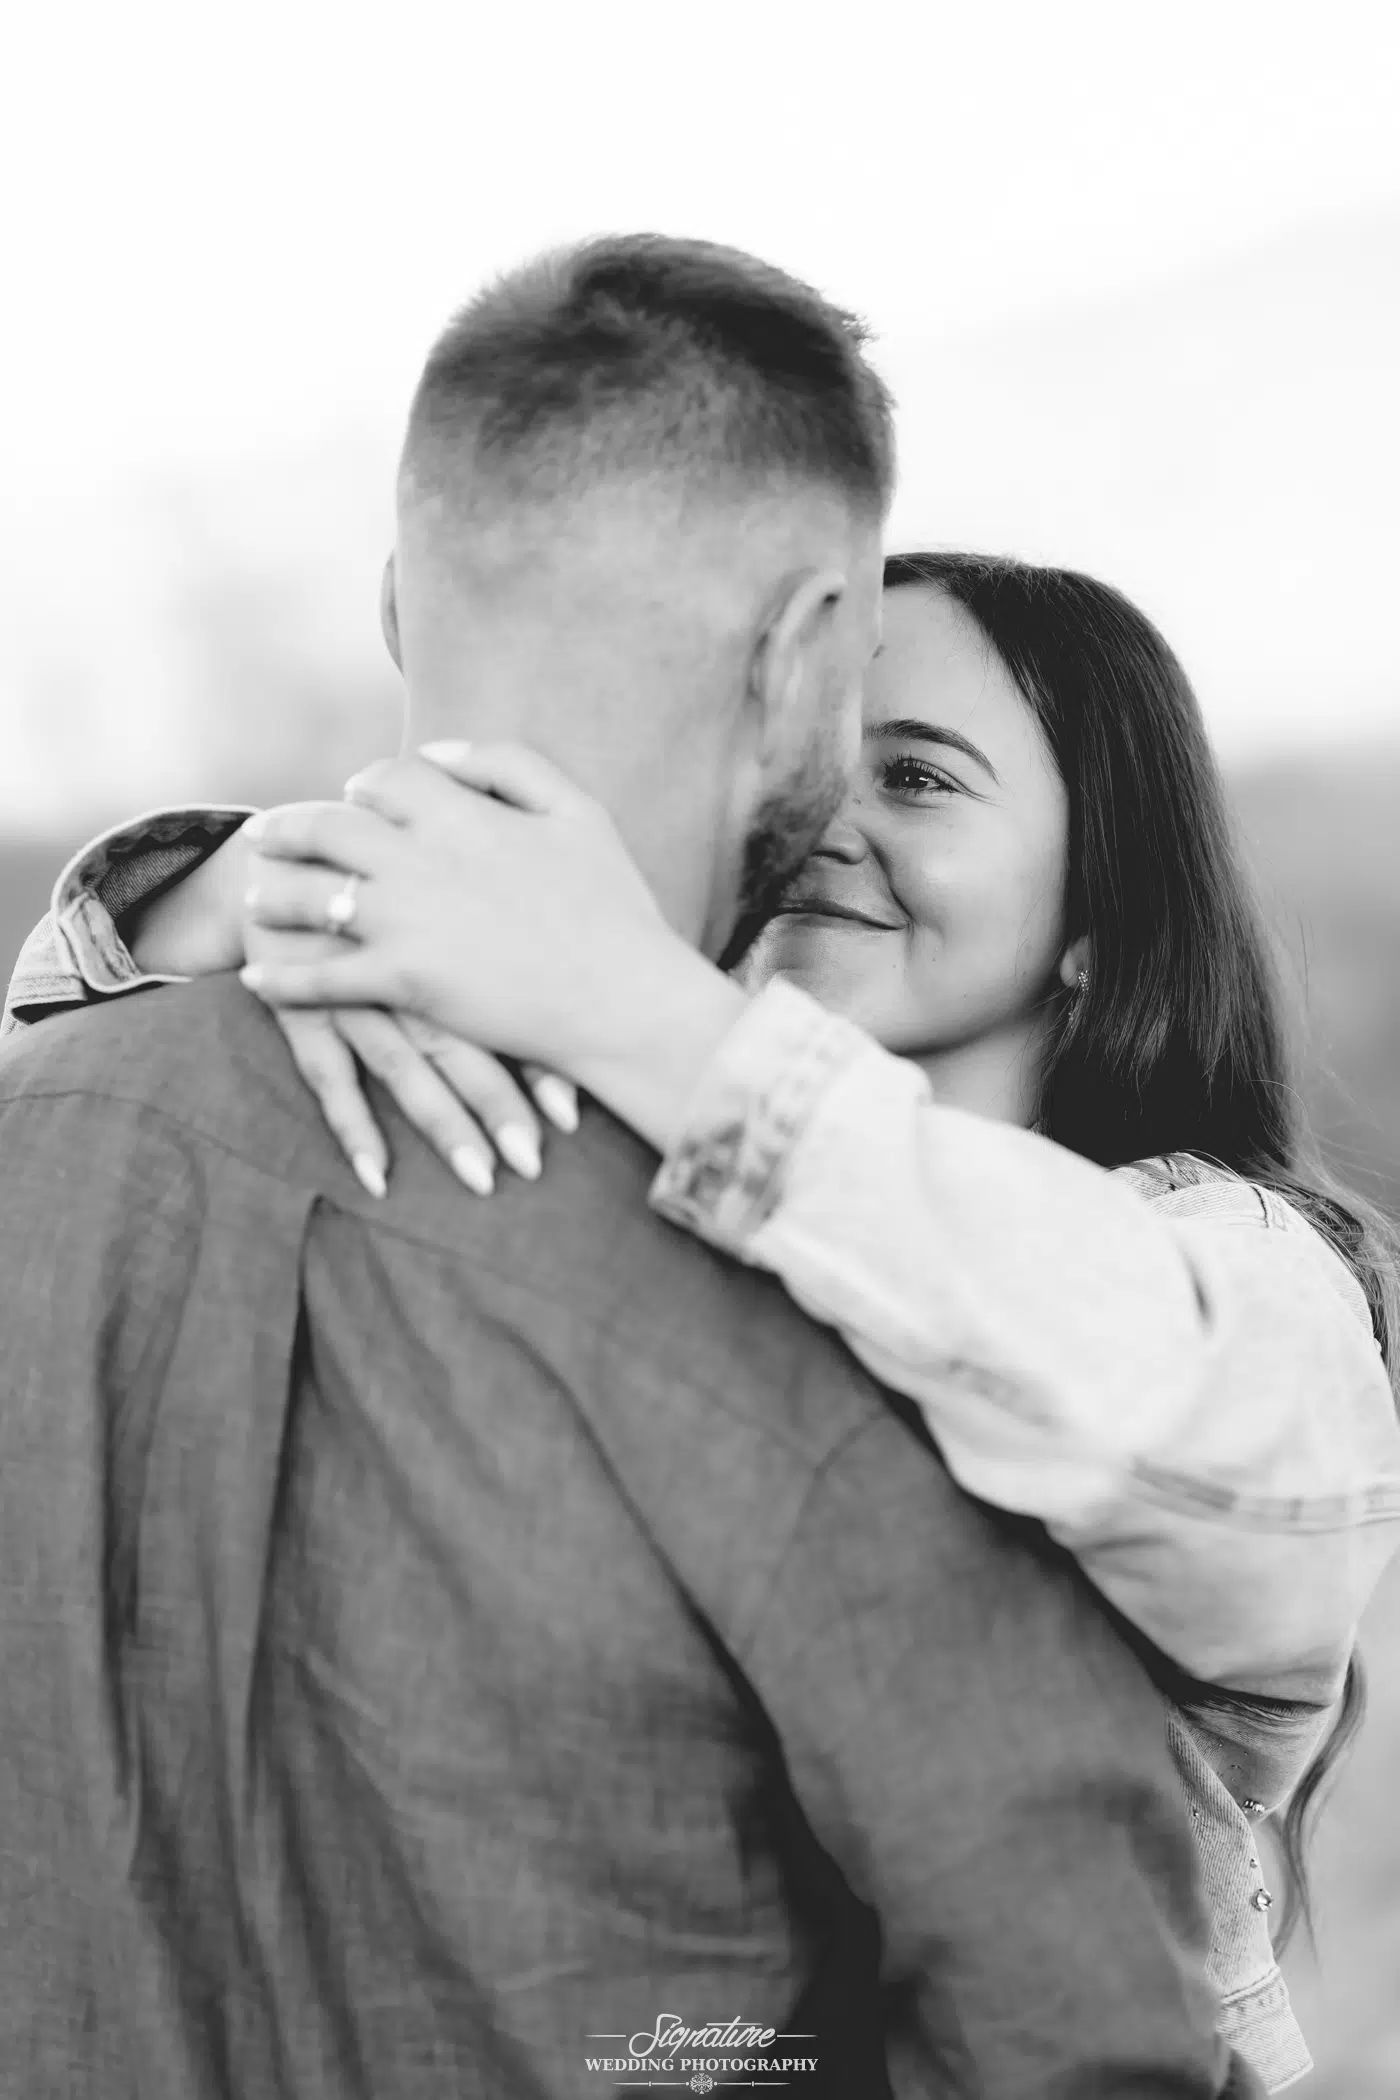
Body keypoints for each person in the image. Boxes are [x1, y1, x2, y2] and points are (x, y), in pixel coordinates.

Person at [0, 238, 1252, 2098]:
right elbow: (1079, 2034)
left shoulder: (50, 1122)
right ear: (807, 647)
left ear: (396, 601)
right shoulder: (857, 1306)